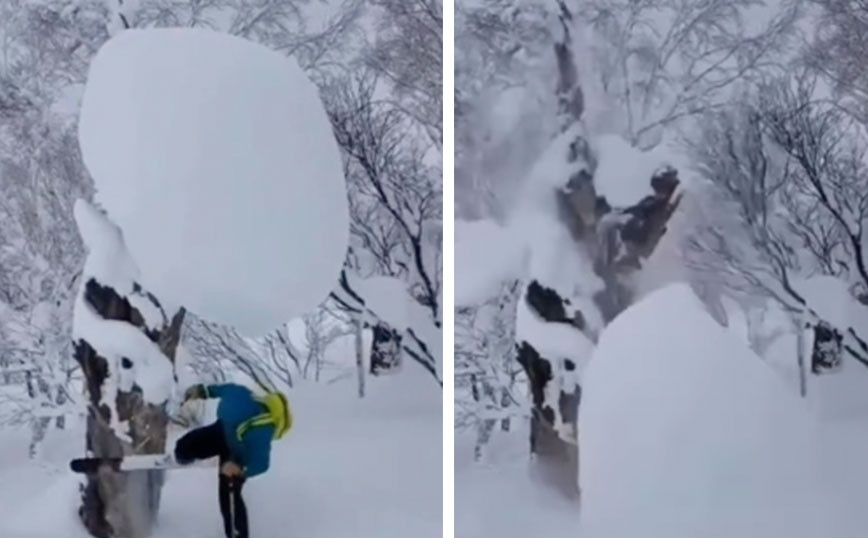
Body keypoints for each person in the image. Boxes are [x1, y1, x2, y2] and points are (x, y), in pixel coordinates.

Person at [175, 382, 292, 538]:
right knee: (184, 447)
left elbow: (261, 464)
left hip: (238, 454)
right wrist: (202, 391)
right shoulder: (240, 395)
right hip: (221, 430)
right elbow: (220, 390)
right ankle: (181, 455)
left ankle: (237, 534)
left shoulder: (262, 430)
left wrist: (240, 471)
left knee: (229, 494)